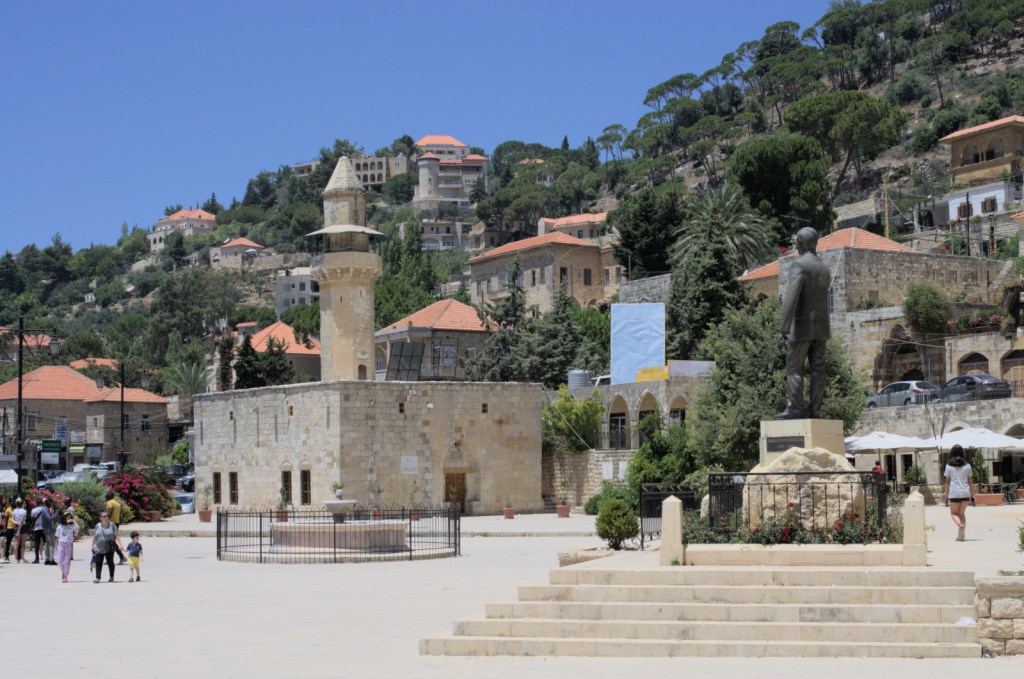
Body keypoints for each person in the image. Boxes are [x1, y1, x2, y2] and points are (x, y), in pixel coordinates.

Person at [775, 227, 831, 420]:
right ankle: (816, 411)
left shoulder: (799, 265)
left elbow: (791, 298)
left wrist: (783, 329)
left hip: (801, 327)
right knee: (818, 371)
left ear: (800, 243)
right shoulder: (824, 267)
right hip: (822, 328)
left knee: (793, 369)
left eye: (795, 242)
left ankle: (795, 409)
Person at [943, 444, 976, 542]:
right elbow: (970, 481)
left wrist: (946, 494)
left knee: (954, 513)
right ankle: (962, 534)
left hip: (954, 492)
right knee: (961, 513)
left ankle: (960, 525)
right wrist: (973, 494)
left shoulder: (949, 466)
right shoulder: (967, 466)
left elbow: (947, 481)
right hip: (965, 492)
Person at [91, 510, 124, 583]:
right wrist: (92, 546)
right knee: (98, 563)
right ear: (100, 518)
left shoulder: (112, 525)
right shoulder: (97, 526)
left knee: (110, 562)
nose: (106, 517)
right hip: (99, 547)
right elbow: (94, 536)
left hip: (109, 547)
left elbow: (117, 535)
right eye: (104, 516)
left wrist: (120, 544)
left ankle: (111, 577)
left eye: (107, 516)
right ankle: (98, 578)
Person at [55, 511, 78, 583]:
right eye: (67, 517)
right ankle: (63, 571)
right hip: (61, 544)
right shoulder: (60, 526)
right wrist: (56, 547)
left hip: (68, 544)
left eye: (69, 517)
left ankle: (65, 575)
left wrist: (74, 521)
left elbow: (78, 527)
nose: (68, 518)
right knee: (59, 560)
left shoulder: (72, 526)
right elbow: (57, 537)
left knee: (66, 561)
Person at [104, 492, 127, 565]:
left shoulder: (110, 502)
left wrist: (107, 520)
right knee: (111, 541)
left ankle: (122, 557)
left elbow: (110, 511)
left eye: (106, 496)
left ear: (108, 497)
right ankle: (111, 559)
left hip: (111, 523)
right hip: (116, 522)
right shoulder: (116, 503)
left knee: (111, 542)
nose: (105, 498)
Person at [30, 500, 54, 564]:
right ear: (42, 503)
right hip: (44, 528)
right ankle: (47, 558)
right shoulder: (45, 509)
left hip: (36, 528)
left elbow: (32, 518)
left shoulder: (33, 510)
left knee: (37, 543)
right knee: (46, 543)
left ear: (36, 503)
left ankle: (37, 558)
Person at [11, 499, 28, 563]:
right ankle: (22, 558)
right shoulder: (24, 511)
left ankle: (16, 559)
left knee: (16, 543)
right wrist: (19, 528)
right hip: (23, 526)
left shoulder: (14, 511)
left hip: (16, 526)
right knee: (23, 544)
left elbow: (12, 519)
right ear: (22, 504)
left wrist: (17, 523)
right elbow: (22, 520)